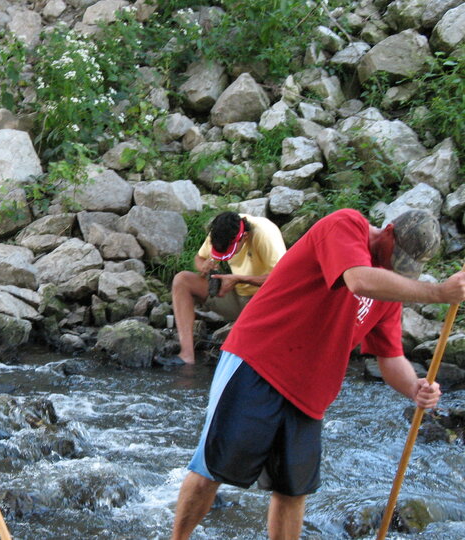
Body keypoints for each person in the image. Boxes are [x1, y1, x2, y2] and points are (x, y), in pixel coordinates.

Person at [171, 208, 465, 540]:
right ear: (388, 231)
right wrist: (437, 293)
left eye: (407, 266)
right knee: (212, 468)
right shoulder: (346, 225)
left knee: (292, 491)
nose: (397, 267)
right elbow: (357, 279)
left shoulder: (389, 288)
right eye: (397, 256)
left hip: (309, 394)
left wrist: (415, 388)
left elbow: (390, 356)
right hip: (258, 361)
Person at [171, 212, 286, 364]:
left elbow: (283, 279)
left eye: (228, 252)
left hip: (265, 305)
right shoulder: (220, 231)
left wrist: (239, 279)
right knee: (182, 280)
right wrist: (203, 266)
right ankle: (186, 356)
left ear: (244, 237)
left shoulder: (265, 234)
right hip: (237, 297)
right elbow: (199, 258)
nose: (225, 256)